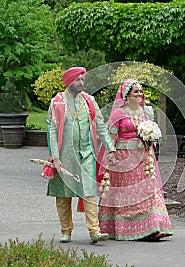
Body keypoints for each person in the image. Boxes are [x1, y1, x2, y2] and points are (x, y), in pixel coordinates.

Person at [45, 66, 117, 244]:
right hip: (64, 156)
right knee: (63, 194)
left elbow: (100, 126)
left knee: (90, 192)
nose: (81, 83)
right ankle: (66, 231)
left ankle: (94, 231)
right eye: (77, 80)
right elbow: (52, 130)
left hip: (86, 155)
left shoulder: (90, 101)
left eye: (82, 79)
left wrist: (111, 148)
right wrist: (55, 157)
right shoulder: (57, 103)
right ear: (69, 81)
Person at [98, 78, 173, 241]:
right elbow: (110, 137)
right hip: (124, 158)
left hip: (144, 159)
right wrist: (111, 153)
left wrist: (150, 137)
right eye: (136, 91)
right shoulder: (118, 113)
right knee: (128, 194)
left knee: (147, 191)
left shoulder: (145, 112)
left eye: (141, 91)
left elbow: (148, 131)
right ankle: (127, 228)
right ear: (126, 95)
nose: (140, 94)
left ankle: (152, 227)